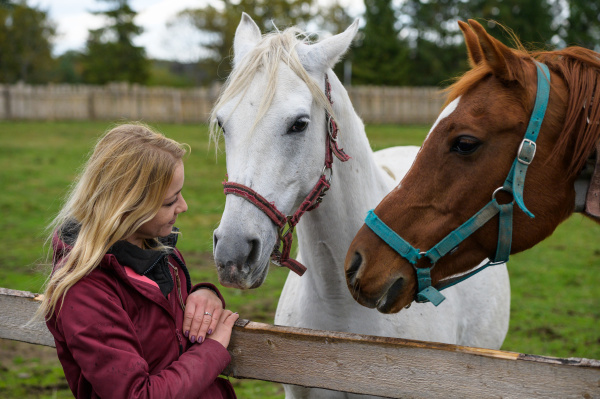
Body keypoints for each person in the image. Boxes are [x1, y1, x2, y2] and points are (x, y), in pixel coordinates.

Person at [37, 123, 239, 398]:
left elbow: (163, 323)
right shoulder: (85, 291)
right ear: (128, 206)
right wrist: (213, 350)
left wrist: (204, 294)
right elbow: (137, 394)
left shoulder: (159, 254)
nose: (183, 206)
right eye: (170, 201)